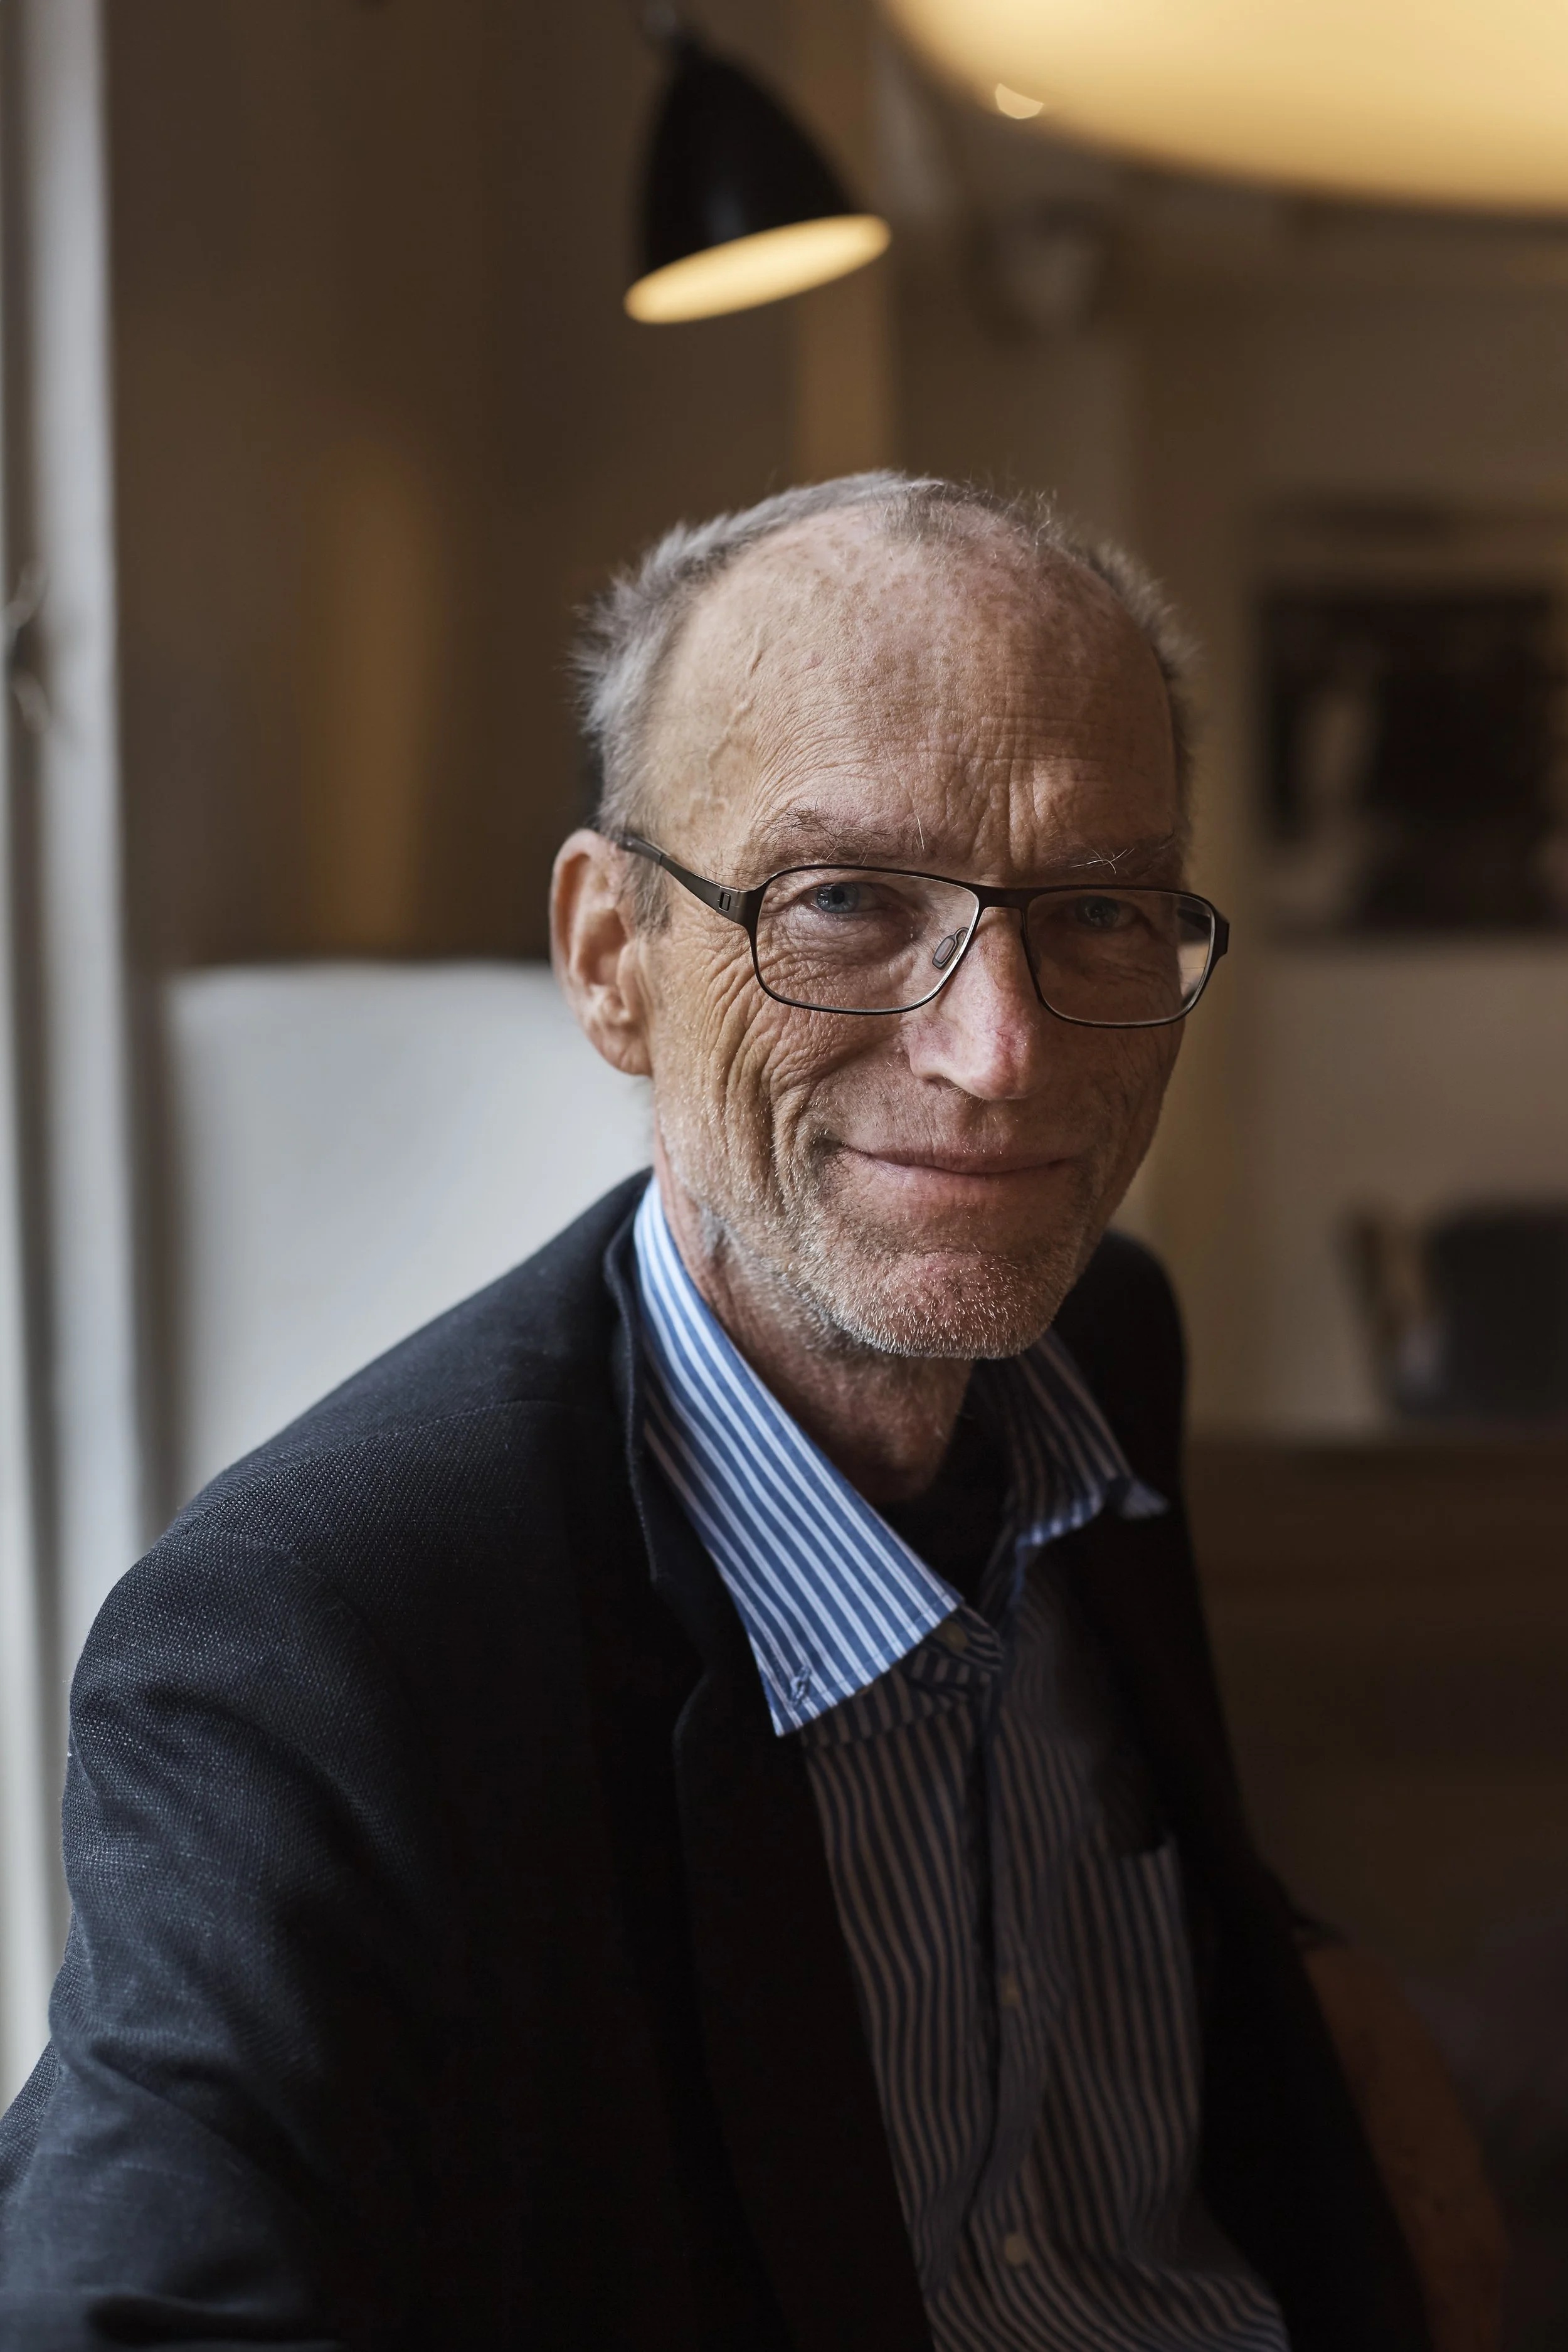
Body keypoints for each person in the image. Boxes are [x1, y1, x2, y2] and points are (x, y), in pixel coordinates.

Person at [0, 474, 1503, 2350]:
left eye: (1098, 904)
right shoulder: (312, 1636)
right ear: (612, 959)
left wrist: (1312, 1987)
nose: (1000, 1048)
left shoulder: (1098, 1335)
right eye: (849, 900)